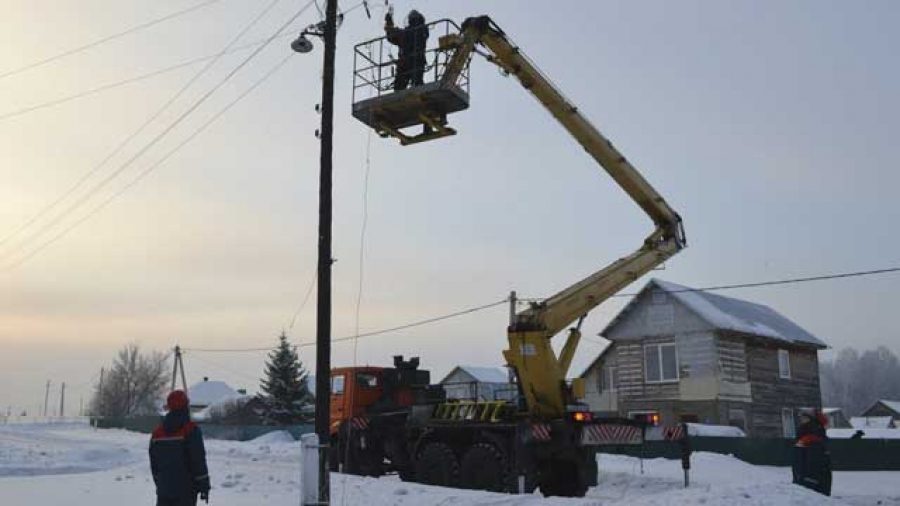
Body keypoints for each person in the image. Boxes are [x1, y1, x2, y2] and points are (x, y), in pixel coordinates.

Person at [150, 390, 211, 505]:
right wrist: (203, 484)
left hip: (164, 491)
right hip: (186, 491)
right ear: (185, 407)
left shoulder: (157, 434)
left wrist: (161, 483)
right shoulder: (191, 430)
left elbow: (154, 464)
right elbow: (198, 460)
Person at [384, 9, 429, 91]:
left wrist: (389, 23)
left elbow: (393, 36)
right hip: (417, 61)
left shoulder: (412, 31)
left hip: (406, 62)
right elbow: (394, 36)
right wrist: (389, 24)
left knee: (400, 87)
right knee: (417, 83)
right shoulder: (422, 30)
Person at [791, 409, 832, 496]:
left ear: (812, 420)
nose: (801, 420)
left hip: (811, 483)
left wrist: (808, 481)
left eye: (804, 418)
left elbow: (814, 462)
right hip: (804, 479)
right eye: (801, 418)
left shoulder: (812, 438)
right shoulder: (805, 436)